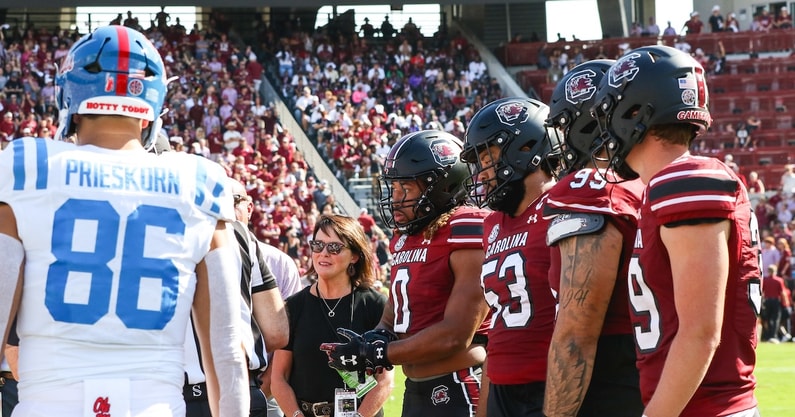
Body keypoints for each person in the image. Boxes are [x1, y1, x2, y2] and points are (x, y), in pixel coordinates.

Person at [0, 25, 248, 416]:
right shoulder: (200, 182)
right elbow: (227, 351)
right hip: (154, 406)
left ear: (70, 93)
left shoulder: (26, 167)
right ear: (154, 102)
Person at [591, 45, 761, 416]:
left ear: (635, 113)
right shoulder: (670, 184)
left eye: (610, 114)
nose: (604, 131)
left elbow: (701, 334)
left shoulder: (685, 181)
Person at [322, 130, 490, 417]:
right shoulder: (406, 236)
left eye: (406, 189)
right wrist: (374, 338)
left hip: (459, 382)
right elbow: (396, 310)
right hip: (416, 389)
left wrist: (379, 353)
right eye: (394, 188)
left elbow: (455, 334)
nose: (396, 199)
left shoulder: (467, 228)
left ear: (441, 187)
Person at [543, 60, 644, 417]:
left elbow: (576, 335)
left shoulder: (589, 188)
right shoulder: (645, 185)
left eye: (565, 126)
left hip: (608, 384)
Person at [460, 97, 561, 417]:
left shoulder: (563, 207)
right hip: (503, 387)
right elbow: (499, 328)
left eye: (488, 157)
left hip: (548, 385)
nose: (482, 172)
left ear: (525, 148)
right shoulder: (493, 223)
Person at [183, 178, 293, 417]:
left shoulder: (145, 232)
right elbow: (276, 332)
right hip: (240, 386)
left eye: (235, 200)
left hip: (174, 392)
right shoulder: (241, 236)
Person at [271, 214, 392, 417]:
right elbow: (279, 378)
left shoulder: (374, 304)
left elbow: (385, 381)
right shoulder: (293, 306)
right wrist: (296, 415)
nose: (324, 253)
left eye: (334, 247)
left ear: (354, 255)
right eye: (318, 245)